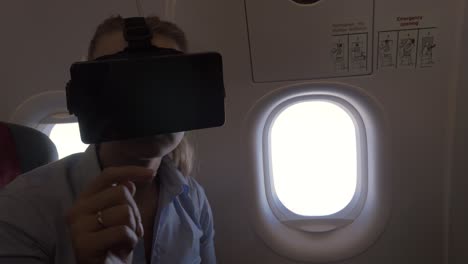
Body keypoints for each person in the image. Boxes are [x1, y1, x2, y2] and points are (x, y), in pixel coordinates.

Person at [0, 15, 216, 264]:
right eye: (123, 84)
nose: (146, 103)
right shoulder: (23, 207)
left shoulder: (194, 200)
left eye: (166, 83)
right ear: (89, 99)